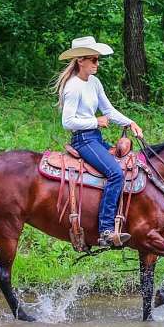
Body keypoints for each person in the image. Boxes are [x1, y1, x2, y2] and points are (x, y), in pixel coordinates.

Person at [54, 36, 143, 247]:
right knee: (115, 173)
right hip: (83, 140)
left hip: (94, 138)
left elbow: (109, 110)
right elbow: (67, 122)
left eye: (97, 59)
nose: (97, 63)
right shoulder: (73, 86)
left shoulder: (94, 82)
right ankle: (105, 229)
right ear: (80, 61)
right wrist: (95, 121)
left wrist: (131, 123)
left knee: (128, 163)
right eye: (93, 59)